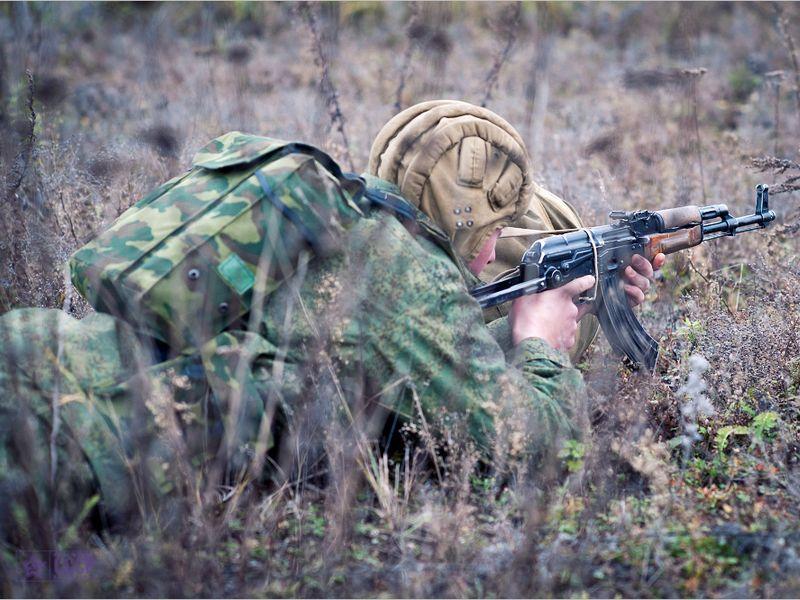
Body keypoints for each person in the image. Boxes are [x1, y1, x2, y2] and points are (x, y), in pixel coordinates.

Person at [0, 101, 660, 545]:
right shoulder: (407, 273)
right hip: (74, 443)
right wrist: (542, 344)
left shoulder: (342, 220)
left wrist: (589, 308)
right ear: (462, 214)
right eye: (492, 231)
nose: (492, 254)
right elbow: (530, 447)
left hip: (39, 353)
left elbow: (418, 369)